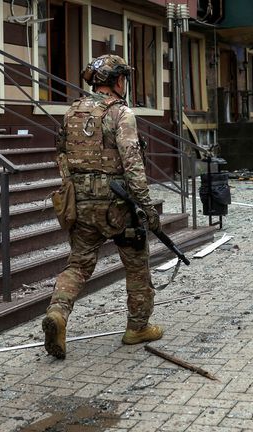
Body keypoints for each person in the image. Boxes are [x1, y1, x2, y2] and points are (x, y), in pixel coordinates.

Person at [42, 54, 163, 359]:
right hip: (117, 205)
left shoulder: (72, 112)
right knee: (136, 262)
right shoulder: (121, 113)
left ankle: (58, 313)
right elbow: (133, 164)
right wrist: (148, 208)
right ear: (118, 81)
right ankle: (138, 326)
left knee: (78, 264)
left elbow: (62, 157)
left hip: (81, 204)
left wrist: (73, 190)